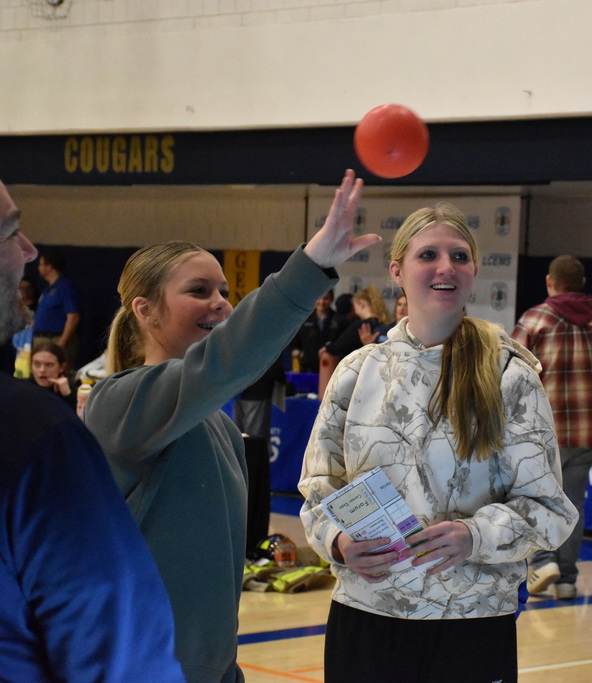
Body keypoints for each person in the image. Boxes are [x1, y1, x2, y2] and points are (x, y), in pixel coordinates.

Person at [83, 170, 380, 683]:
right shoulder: (117, 404)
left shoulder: (218, 427)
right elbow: (225, 362)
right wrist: (309, 268)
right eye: (199, 290)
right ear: (145, 311)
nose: (220, 301)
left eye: (224, 289)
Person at [298, 202, 577, 683]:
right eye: (428, 254)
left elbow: (550, 511)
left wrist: (474, 535)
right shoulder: (357, 370)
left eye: (460, 256)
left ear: (472, 272)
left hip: (471, 624)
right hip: (367, 617)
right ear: (397, 271)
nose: (446, 267)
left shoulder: (510, 375)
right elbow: (319, 487)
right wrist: (339, 542)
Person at [0, 180, 185, 680]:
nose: (28, 249)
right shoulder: (32, 433)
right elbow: (121, 655)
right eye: (10, 231)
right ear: (146, 311)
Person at [511, 254, 592, 600]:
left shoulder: (536, 318)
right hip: (590, 428)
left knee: (536, 497)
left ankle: (545, 561)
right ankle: (567, 579)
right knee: (573, 502)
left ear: (550, 282)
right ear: (583, 284)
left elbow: (511, 370)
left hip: (545, 429)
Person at [33, 248, 81, 369]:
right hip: (41, 339)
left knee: (58, 373)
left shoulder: (64, 286)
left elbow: (73, 317)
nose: (38, 268)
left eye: (41, 264)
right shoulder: (48, 289)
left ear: (49, 267)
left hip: (56, 339)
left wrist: (61, 343)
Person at [320, 283, 390, 361]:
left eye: (354, 306)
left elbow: (337, 347)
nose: (354, 310)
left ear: (361, 304)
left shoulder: (361, 326)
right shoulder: (384, 323)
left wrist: (326, 349)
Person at [290, 289, 337, 373]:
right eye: (319, 298)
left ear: (331, 299)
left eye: (326, 298)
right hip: (306, 369)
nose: (322, 302)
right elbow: (293, 343)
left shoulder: (338, 320)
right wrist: (297, 352)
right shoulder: (304, 319)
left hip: (330, 369)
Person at [27, 340, 79, 410]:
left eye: (49, 365)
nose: (42, 370)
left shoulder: (71, 390)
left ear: (61, 367)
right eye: (37, 364)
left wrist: (67, 395)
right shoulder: (24, 388)